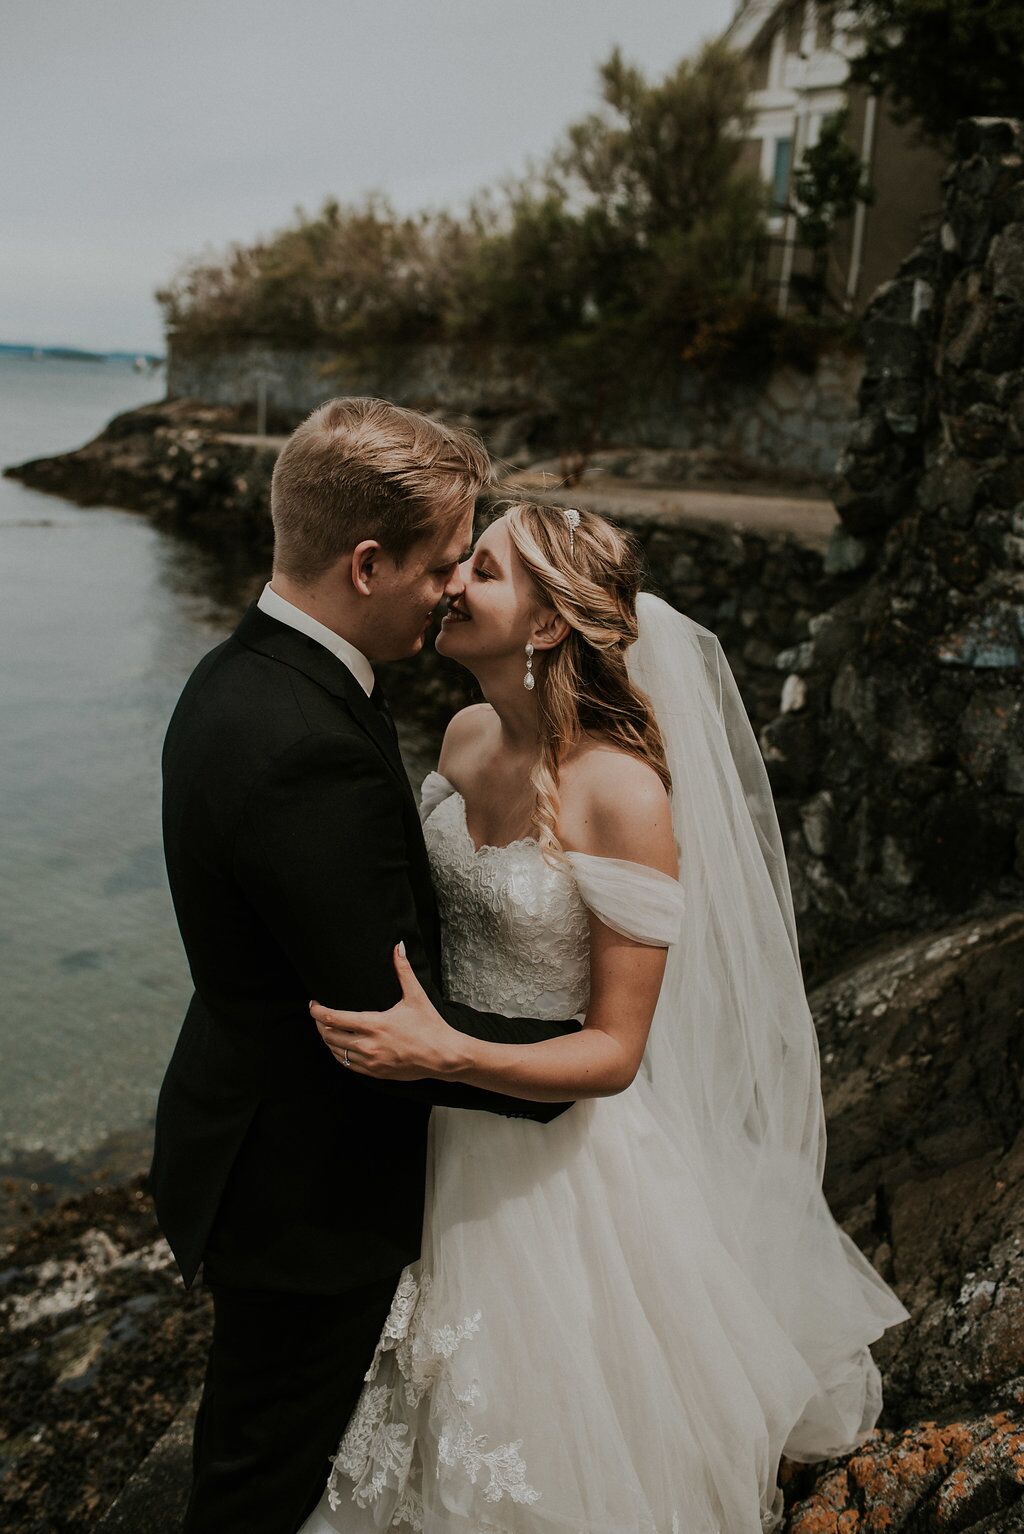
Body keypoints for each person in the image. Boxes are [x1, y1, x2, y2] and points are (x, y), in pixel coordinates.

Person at [300, 501, 912, 1534]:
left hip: (550, 1159)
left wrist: (441, 1049)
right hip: (429, 1133)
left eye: (481, 571)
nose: (451, 582)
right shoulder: (459, 733)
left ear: (544, 625)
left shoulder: (622, 790)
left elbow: (615, 1051)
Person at [149, 398, 587, 1534]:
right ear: (366, 562)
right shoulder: (300, 743)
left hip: (251, 1130)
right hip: (309, 1188)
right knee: (259, 1484)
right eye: (445, 561)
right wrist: (600, 1064)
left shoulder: (236, 676)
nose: (454, 584)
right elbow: (381, 1021)